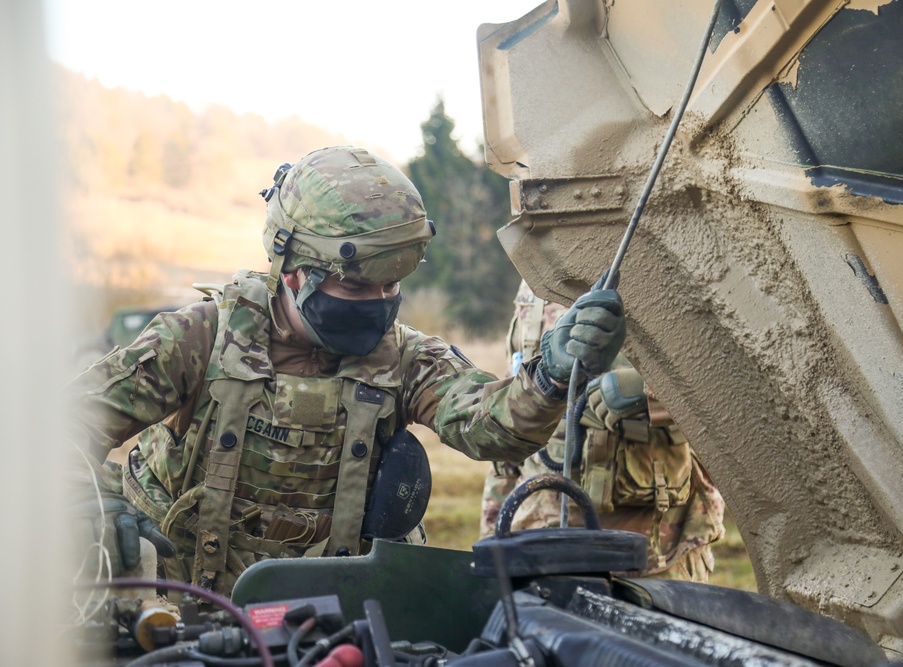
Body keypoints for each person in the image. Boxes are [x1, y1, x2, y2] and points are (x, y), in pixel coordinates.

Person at [69, 146, 627, 596]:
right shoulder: (199, 339)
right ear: (293, 273)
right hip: (185, 609)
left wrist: (552, 370)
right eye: (357, 286)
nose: (380, 303)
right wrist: (94, 502)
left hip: (334, 614)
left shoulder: (406, 358)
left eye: (392, 286)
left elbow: (491, 426)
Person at [480, 280, 725, 581]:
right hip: (536, 544)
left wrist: (645, 390)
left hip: (653, 557)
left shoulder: (669, 268)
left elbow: (729, 381)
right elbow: (514, 406)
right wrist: (492, 534)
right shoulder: (538, 269)